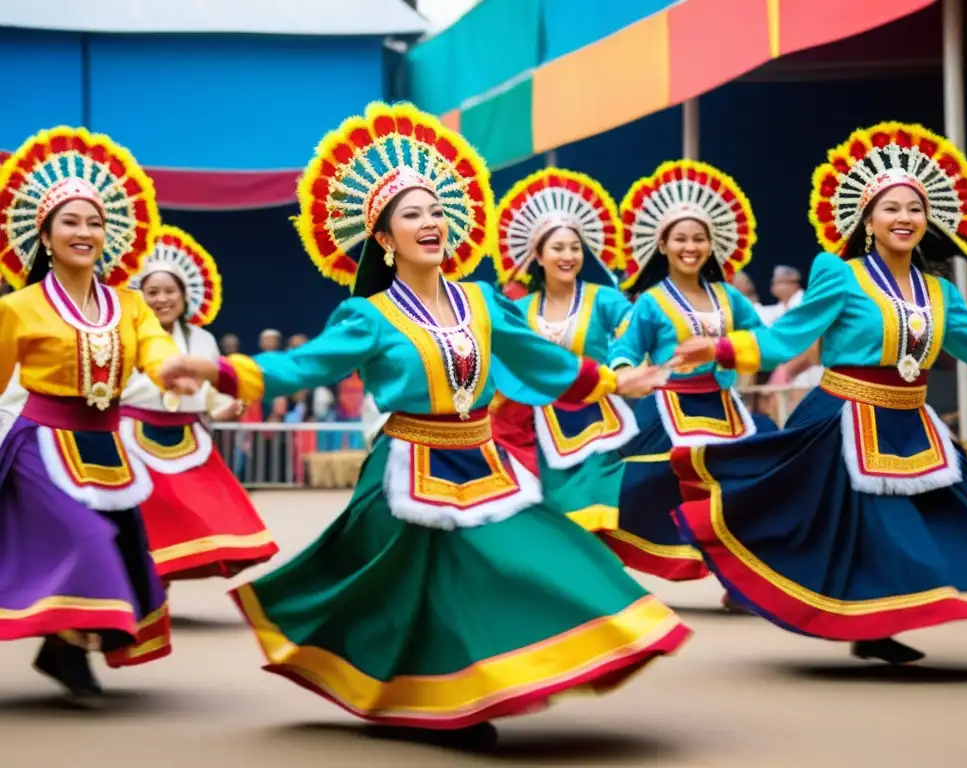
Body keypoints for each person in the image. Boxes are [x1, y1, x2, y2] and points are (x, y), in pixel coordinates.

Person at [161, 102, 689, 749]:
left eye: (437, 210)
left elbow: (539, 360)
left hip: (484, 459)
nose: (431, 221)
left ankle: (543, 661)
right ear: (383, 238)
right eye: (412, 214)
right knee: (418, 594)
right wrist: (217, 371)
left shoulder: (483, 301)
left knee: (540, 552)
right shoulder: (369, 316)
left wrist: (612, 381)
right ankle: (447, 706)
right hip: (407, 467)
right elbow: (304, 366)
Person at [670, 121, 967, 664]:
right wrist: (720, 350)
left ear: (928, 220)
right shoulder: (840, 275)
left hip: (914, 421)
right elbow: (788, 335)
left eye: (914, 208)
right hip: (843, 419)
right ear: (868, 219)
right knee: (871, 531)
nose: (904, 218)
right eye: (891, 208)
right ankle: (873, 627)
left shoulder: (941, 291)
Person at [0, 125, 190, 703]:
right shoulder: (17, 307)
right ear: (47, 235)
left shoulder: (130, 305)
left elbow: (155, 348)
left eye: (95, 222)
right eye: (71, 222)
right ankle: (63, 647)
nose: (85, 232)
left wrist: (176, 370)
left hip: (106, 444)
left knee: (125, 544)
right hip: (40, 442)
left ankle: (64, 648)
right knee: (85, 537)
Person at [602, 159, 769, 611]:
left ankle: (739, 581)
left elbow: (763, 337)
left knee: (737, 492)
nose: (690, 247)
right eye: (680, 239)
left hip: (724, 406)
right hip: (667, 409)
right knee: (638, 487)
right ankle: (600, 559)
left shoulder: (730, 297)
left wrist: (746, 350)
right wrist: (627, 373)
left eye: (698, 239)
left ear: (712, 245)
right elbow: (625, 349)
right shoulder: (652, 302)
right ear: (663, 245)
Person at [120, 226, 279, 582]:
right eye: (152, 292)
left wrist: (221, 408)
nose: (161, 299)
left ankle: (164, 578)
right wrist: (168, 385)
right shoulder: (126, 334)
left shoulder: (203, 339)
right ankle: (144, 582)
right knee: (148, 511)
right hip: (134, 436)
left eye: (169, 291)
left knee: (205, 506)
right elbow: (121, 388)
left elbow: (211, 394)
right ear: (139, 296)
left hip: (189, 435)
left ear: (184, 295)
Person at [489, 167, 634, 532]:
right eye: (557, 248)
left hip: (595, 422)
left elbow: (636, 331)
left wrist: (623, 362)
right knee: (551, 522)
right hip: (535, 428)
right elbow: (500, 359)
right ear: (538, 255)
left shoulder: (604, 299)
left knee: (598, 508)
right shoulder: (519, 311)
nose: (568, 255)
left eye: (575, 247)